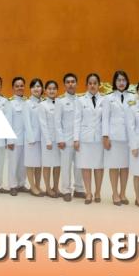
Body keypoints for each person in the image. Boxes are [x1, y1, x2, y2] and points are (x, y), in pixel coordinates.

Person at [102, 71, 134, 206]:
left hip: (128, 138)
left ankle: (123, 193)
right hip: (113, 137)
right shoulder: (108, 98)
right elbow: (105, 118)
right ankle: (115, 193)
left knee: (125, 167)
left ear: (127, 82)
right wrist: (105, 136)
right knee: (114, 166)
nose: (121, 82)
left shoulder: (133, 97)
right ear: (114, 82)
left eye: (123, 80)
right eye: (119, 80)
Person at [77, 73, 106, 204]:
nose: (92, 85)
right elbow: (76, 120)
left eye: (95, 83)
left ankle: (98, 192)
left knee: (99, 166)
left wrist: (106, 136)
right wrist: (76, 139)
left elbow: (106, 120)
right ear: (86, 85)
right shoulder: (80, 100)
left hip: (99, 138)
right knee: (86, 166)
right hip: (85, 138)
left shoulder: (104, 100)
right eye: (90, 83)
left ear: (99, 85)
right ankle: (88, 193)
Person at [57, 73, 83, 201]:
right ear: (65, 85)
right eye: (68, 82)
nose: (71, 84)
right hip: (66, 140)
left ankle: (79, 189)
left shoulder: (81, 100)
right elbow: (57, 122)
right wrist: (60, 139)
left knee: (79, 166)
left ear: (76, 84)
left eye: (73, 81)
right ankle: (66, 190)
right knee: (66, 166)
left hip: (79, 139)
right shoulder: (60, 101)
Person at [5, 77, 33, 196]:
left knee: (23, 164)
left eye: (21, 86)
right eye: (17, 86)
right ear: (13, 88)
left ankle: (21, 184)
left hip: (25, 140)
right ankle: (12, 185)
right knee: (13, 164)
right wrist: (10, 140)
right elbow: (8, 122)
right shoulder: (10, 103)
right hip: (15, 140)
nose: (20, 88)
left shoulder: (27, 102)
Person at [38, 80, 61, 198]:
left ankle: (56, 187)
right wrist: (48, 140)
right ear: (45, 90)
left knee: (57, 164)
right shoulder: (42, 105)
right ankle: (47, 188)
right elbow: (43, 124)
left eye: (54, 89)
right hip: (48, 140)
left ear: (57, 90)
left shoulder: (60, 103)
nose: (52, 91)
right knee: (47, 164)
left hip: (59, 140)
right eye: (49, 89)